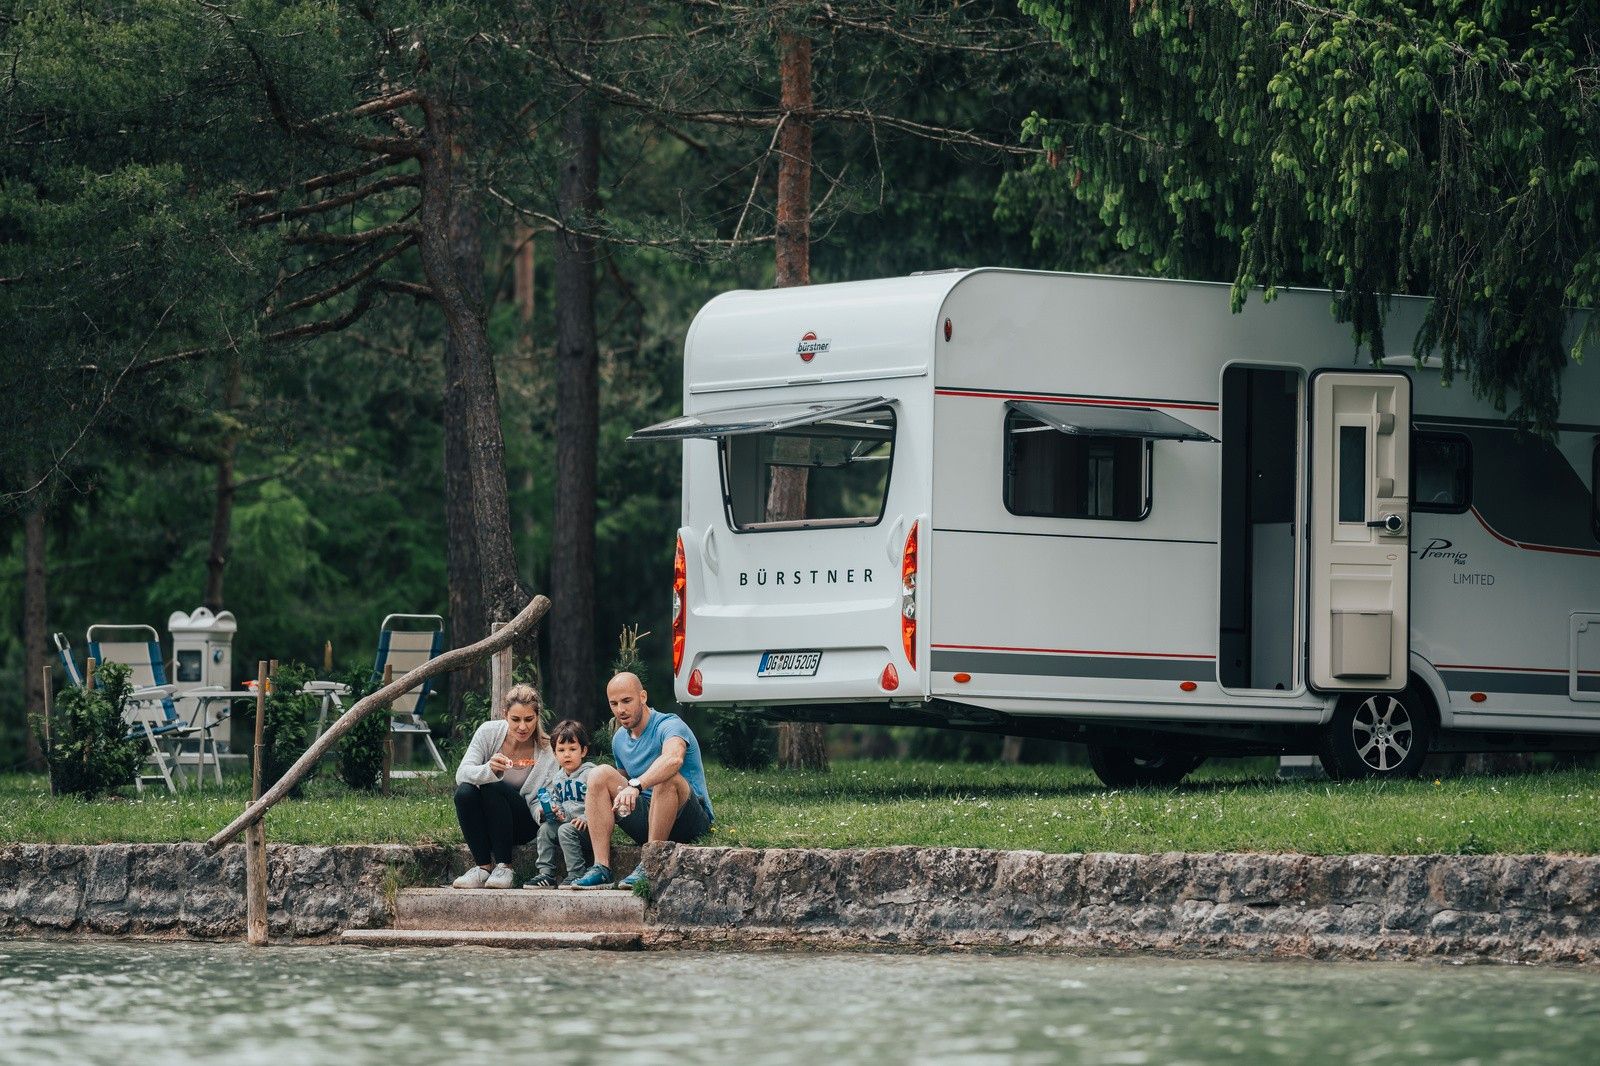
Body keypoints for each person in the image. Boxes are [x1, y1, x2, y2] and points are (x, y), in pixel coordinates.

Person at [569, 671, 713, 890]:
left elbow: (673, 759)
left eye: (627, 701)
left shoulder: (669, 725)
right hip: (647, 817)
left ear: (643, 697)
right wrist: (597, 812)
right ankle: (601, 868)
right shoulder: (619, 739)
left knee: (667, 778)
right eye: (614, 703)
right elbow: (619, 782)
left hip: (688, 817)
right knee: (599, 774)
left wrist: (637, 785)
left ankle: (650, 863)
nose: (621, 710)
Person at [451, 683, 558, 889]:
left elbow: (543, 796)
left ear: (537, 716)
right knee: (465, 791)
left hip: (524, 821)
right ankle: (483, 868)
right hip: (490, 820)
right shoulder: (488, 732)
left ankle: (505, 866)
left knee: (492, 787)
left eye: (529, 719)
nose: (522, 727)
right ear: (505, 714)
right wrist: (489, 769)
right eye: (515, 719)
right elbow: (461, 774)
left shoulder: (547, 750)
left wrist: (545, 812)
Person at [524, 719, 598, 889]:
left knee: (565, 829)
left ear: (583, 750)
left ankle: (576, 873)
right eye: (561, 750)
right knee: (544, 829)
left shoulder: (591, 773)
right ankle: (546, 874)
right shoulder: (557, 778)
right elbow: (558, 801)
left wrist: (586, 818)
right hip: (568, 824)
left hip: (589, 828)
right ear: (555, 754)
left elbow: (600, 802)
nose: (567, 754)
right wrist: (556, 811)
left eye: (572, 749)